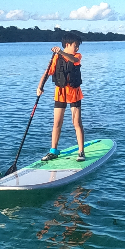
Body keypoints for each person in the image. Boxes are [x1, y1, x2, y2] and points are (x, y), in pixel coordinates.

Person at [38, 31, 85, 161]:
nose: (77, 48)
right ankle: (53, 151)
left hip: (74, 93)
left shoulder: (77, 56)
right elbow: (47, 73)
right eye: (75, 45)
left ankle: (81, 152)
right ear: (67, 44)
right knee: (57, 123)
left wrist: (61, 52)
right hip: (60, 93)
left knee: (76, 123)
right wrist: (40, 86)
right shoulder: (56, 58)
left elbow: (74, 60)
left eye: (78, 46)